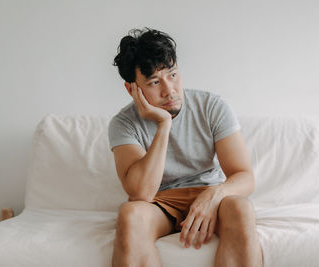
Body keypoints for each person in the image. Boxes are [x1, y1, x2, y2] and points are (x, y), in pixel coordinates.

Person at [109, 28, 263, 267]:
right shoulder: (123, 124)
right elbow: (141, 194)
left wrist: (214, 195)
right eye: (154, 82)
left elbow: (244, 177)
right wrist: (163, 124)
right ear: (132, 89)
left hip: (211, 194)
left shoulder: (211, 106)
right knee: (130, 216)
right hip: (160, 203)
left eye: (172, 75)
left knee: (241, 209)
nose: (169, 90)